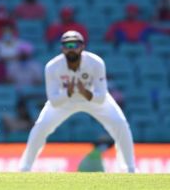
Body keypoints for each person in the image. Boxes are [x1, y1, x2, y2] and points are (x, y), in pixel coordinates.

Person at [18, 30, 136, 173]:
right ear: (62, 48)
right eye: (67, 45)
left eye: (75, 45)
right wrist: (69, 92)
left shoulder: (96, 63)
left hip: (90, 97)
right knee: (41, 126)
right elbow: (54, 101)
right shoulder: (52, 66)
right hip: (65, 99)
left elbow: (101, 98)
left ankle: (129, 168)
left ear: (82, 47)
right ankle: (25, 168)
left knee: (120, 123)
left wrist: (83, 91)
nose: (71, 48)